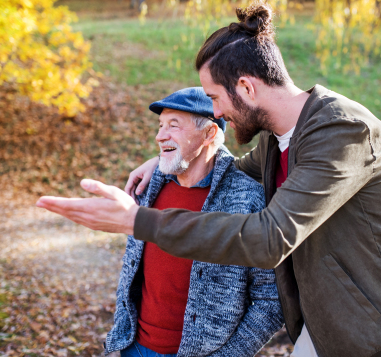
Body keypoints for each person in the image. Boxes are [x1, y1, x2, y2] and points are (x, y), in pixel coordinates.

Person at [37, 0, 381, 357]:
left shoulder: (342, 131)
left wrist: (136, 222)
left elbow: (269, 238)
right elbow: (224, 169)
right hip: (329, 331)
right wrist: (163, 158)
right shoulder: (276, 143)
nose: (216, 112)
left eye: (214, 98)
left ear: (246, 87)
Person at [101, 87, 283, 357]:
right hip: (135, 347)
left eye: (174, 125)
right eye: (161, 125)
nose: (160, 135)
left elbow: (270, 300)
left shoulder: (247, 199)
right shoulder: (148, 188)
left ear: (209, 134)